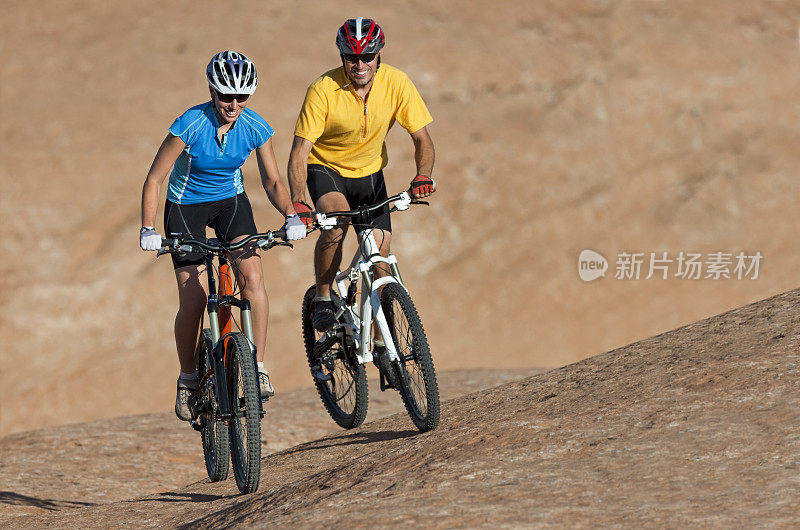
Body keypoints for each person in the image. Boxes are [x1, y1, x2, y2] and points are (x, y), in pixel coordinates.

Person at [140, 51, 306, 421]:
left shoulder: (256, 127)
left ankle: (257, 368)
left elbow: (274, 180)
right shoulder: (190, 123)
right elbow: (154, 178)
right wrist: (148, 227)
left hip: (231, 203)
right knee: (195, 297)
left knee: (253, 279)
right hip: (185, 208)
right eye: (226, 96)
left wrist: (291, 214)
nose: (233, 104)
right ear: (212, 91)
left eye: (241, 97)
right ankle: (187, 379)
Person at [287, 17, 437, 339]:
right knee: (338, 223)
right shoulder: (323, 89)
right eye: (352, 57)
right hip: (327, 170)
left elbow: (422, 139)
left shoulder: (397, 83)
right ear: (342, 57)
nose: (360, 64)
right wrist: (299, 200)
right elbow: (300, 151)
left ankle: (385, 344)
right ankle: (324, 296)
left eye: (367, 56)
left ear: (378, 54)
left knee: (381, 261)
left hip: (370, 176)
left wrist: (423, 174)